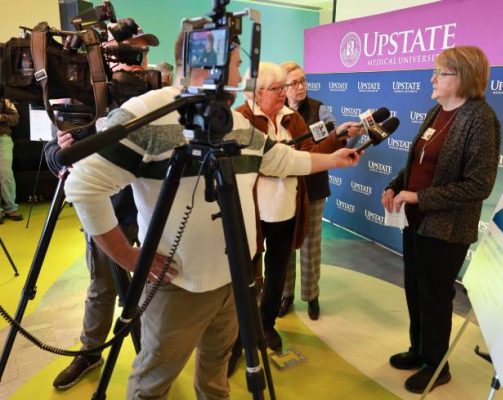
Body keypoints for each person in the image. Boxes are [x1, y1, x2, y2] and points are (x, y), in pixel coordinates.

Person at [63, 30, 362, 399]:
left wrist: (333, 159)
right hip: (178, 286)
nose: (241, 76)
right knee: (153, 382)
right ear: (211, 64)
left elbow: (281, 159)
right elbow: (81, 187)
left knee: (216, 377)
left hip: (236, 280)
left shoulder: (233, 124)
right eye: (236, 64)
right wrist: (125, 255)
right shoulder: (148, 114)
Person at [45, 24, 159, 390]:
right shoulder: (81, 97)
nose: (138, 63)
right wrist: (63, 153)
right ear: (108, 57)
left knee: (147, 286)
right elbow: (54, 153)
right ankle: (91, 351)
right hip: (105, 212)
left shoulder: (156, 97)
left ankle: (149, 356)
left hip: (150, 210)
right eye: (130, 54)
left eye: (142, 55)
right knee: (101, 285)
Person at [381, 46, 500, 393]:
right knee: (415, 289)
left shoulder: (480, 118)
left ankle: (437, 365)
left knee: (435, 295)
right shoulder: (438, 110)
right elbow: (418, 163)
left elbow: (479, 184)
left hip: (446, 229)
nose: (432, 78)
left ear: (463, 77)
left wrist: (420, 197)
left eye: (441, 73)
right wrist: (395, 186)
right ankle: (418, 350)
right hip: (415, 221)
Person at [235, 61, 363, 352]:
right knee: (246, 275)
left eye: (285, 87)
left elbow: (309, 155)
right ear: (255, 92)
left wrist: (335, 144)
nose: (284, 93)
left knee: (278, 271)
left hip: (286, 210)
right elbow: (249, 164)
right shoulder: (239, 118)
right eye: (277, 88)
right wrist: (284, 162)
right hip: (250, 213)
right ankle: (237, 335)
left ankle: (266, 325)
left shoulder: (294, 119)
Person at [278, 61, 340, 320]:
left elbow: (333, 137)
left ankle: (311, 296)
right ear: (284, 87)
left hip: (313, 188)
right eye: (294, 83)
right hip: (285, 189)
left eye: (303, 81)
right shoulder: (277, 113)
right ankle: (285, 295)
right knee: (284, 245)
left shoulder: (319, 108)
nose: (301, 87)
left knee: (311, 245)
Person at [0, 98, 22, 223]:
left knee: (5, 173)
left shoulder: (4, 99)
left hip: (3, 138)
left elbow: (15, 118)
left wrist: (2, 117)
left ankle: (10, 208)